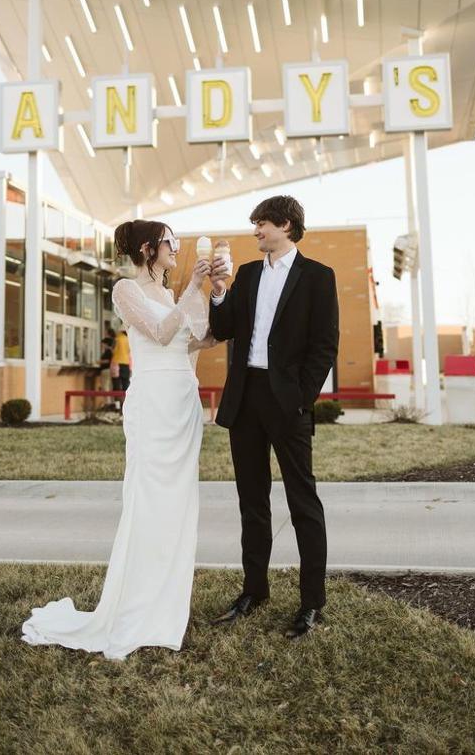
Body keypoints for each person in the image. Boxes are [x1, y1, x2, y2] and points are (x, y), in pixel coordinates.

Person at [22, 220, 213, 660]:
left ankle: (167, 611)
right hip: (152, 404)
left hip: (182, 401)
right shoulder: (126, 290)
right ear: (148, 247)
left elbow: (198, 342)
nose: (177, 248)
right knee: (150, 504)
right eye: (171, 241)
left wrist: (215, 291)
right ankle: (136, 612)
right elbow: (161, 334)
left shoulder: (173, 293)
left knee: (180, 508)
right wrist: (194, 286)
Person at [207, 195, 339, 639]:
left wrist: (302, 398)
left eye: (261, 223)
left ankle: (310, 603)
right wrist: (220, 292)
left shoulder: (318, 277)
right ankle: (254, 590)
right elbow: (225, 329)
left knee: (303, 502)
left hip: (289, 403)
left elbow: (325, 345)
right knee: (252, 501)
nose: (255, 230)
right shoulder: (245, 275)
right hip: (245, 399)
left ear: (285, 224)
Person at [111, 328, 131, 399]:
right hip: (126, 363)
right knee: (125, 385)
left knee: (116, 385)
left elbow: (113, 350)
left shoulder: (117, 339)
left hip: (116, 364)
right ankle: (124, 403)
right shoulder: (129, 340)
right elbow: (130, 351)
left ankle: (117, 405)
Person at [99, 320, 115, 408]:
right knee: (108, 386)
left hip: (106, 370)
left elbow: (108, 361)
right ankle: (110, 402)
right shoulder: (109, 350)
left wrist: (99, 362)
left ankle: (107, 403)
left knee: (106, 386)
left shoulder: (108, 351)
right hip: (107, 370)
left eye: (103, 344)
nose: (102, 346)